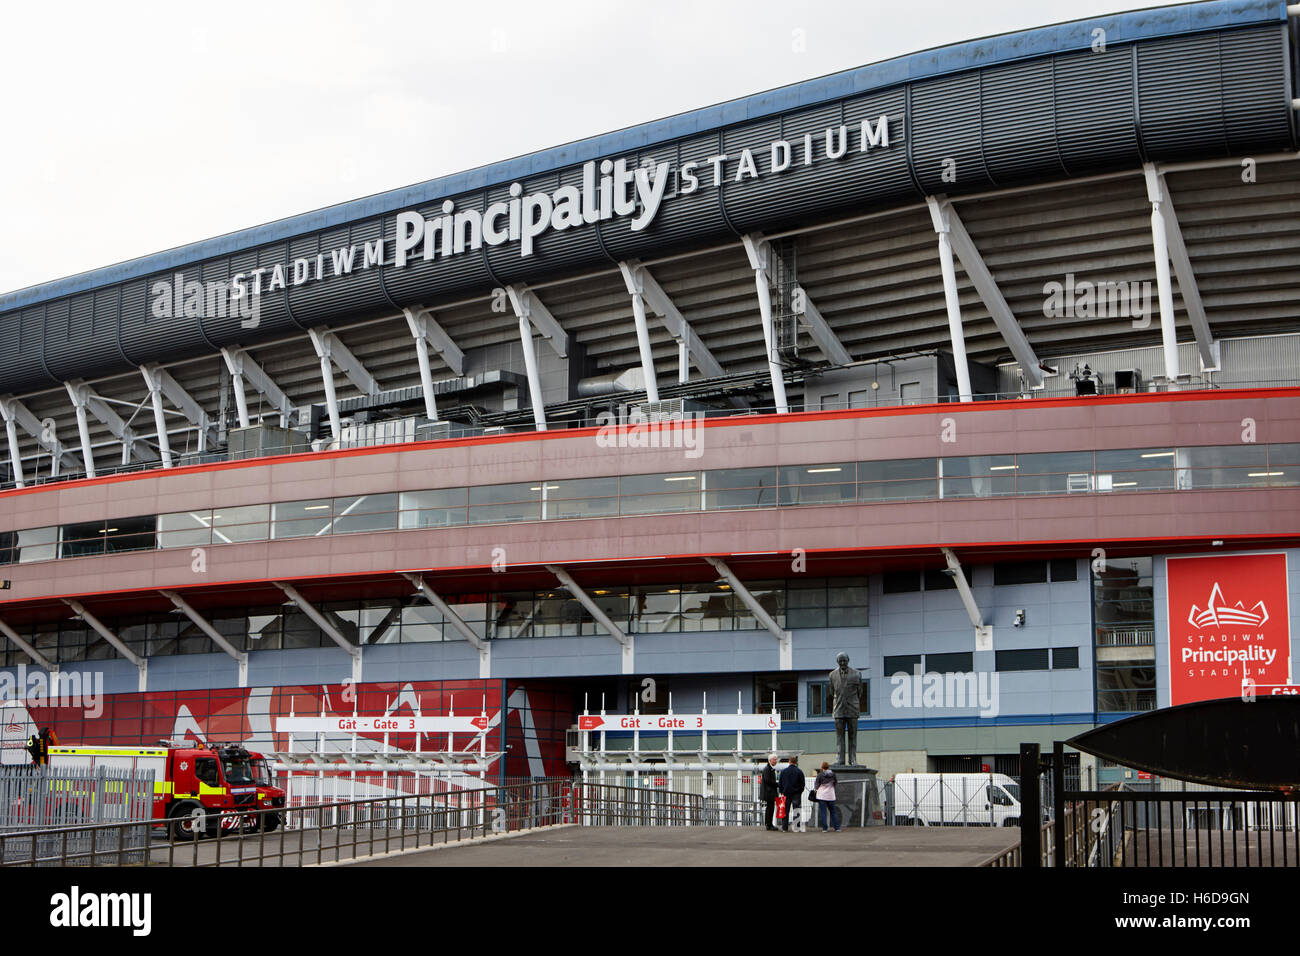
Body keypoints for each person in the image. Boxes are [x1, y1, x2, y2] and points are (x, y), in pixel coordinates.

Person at [778, 755, 805, 832]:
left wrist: (781, 792)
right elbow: (802, 784)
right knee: (796, 810)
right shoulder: (799, 772)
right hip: (796, 793)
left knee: (785, 811)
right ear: (796, 762)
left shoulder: (783, 771)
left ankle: (784, 828)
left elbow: (780, 783)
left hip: (786, 793)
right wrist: (800, 791)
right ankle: (796, 827)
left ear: (789, 762)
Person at [815, 761, 841, 832]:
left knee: (823, 812)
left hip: (822, 796)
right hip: (831, 795)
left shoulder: (820, 775)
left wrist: (816, 789)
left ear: (822, 767)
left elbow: (816, 784)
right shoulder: (833, 774)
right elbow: (835, 782)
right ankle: (837, 828)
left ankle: (825, 828)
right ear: (828, 767)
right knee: (833, 812)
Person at [760, 753, 779, 831]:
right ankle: (769, 824)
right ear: (770, 760)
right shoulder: (767, 769)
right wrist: (777, 784)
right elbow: (768, 781)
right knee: (770, 808)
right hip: (769, 793)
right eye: (775, 759)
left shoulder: (769, 768)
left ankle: (769, 824)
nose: (776, 761)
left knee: (770, 808)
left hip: (770, 792)